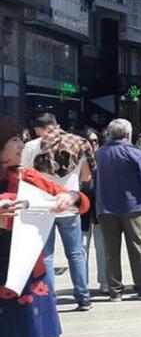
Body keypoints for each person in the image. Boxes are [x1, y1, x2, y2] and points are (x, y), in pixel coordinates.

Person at [0, 117, 89, 337]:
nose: (21, 146)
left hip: (25, 279)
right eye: (13, 141)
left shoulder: (28, 177)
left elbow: (76, 198)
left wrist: (69, 197)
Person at [28, 121, 96, 311]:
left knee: (47, 256)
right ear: (57, 125)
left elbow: (25, 175)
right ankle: (83, 298)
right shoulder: (78, 144)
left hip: (43, 207)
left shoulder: (32, 147)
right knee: (76, 254)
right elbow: (86, 178)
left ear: (36, 129)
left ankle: (49, 299)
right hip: (69, 205)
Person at [95, 119, 141, 300]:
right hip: (132, 206)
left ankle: (115, 291)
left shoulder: (100, 153)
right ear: (127, 134)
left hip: (106, 207)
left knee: (111, 251)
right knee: (138, 248)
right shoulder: (134, 152)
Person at [80, 127, 108, 299]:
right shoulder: (75, 160)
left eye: (95, 141)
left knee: (102, 248)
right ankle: (82, 284)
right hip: (81, 210)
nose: (92, 144)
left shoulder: (103, 159)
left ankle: (104, 282)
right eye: (89, 141)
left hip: (100, 210)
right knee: (81, 248)